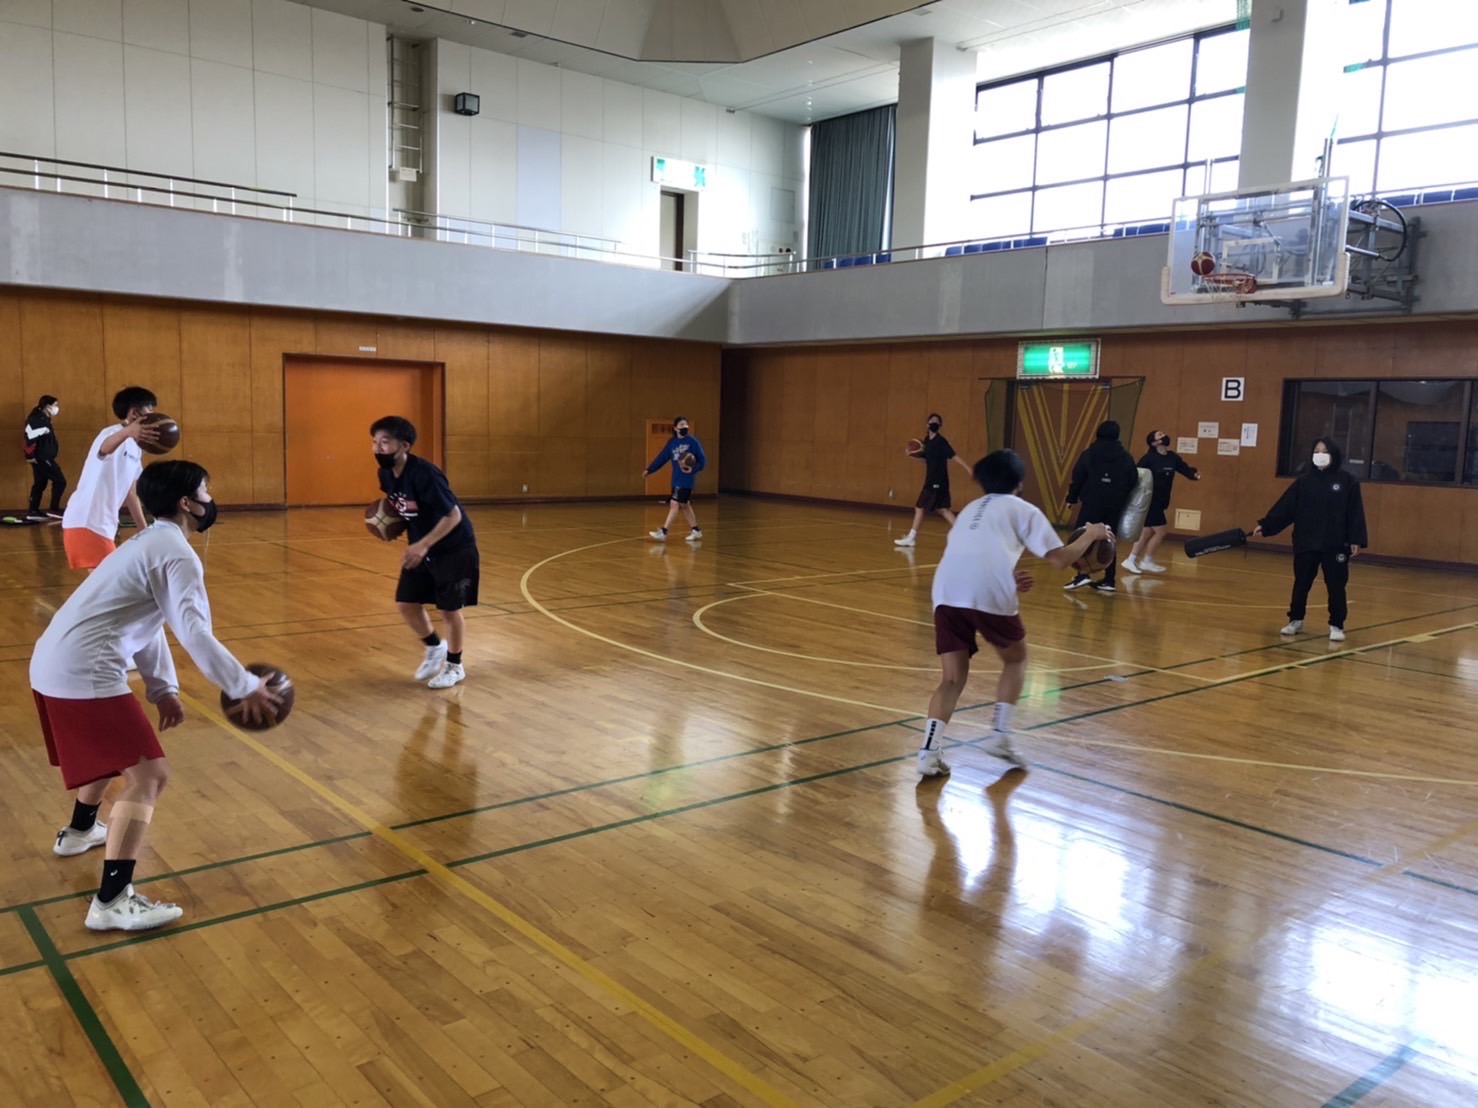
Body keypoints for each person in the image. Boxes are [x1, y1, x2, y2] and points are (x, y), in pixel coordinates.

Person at [31, 460, 279, 932]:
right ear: (187, 502)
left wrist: (163, 687)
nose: (210, 498)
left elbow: (148, 623)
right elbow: (194, 632)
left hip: (55, 664)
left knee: (115, 753)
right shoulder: (176, 553)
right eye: (206, 490)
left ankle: (80, 831)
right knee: (149, 775)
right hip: (84, 672)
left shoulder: (147, 542)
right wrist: (244, 685)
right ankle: (112, 901)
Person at [918, 449, 1110, 775]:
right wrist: (1092, 534)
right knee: (1016, 659)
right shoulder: (1024, 509)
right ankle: (1000, 736)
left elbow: (971, 553)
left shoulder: (970, 510)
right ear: (1019, 482)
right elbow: (1060, 559)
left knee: (951, 679)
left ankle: (927, 754)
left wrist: (1006, 576)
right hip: (986, 590)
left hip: (946, 591)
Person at [372, 416, 480, 688]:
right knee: (406, 603)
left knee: (449, 610)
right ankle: (434, 647)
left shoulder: (425, 474)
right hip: (421, 546)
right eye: (375, 442)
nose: (378, 448)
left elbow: (453, 515)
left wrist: (423, 544)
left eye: (385, 442)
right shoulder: (385, 474)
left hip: (453, 547)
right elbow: (404, 506)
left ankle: (454, 666)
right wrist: (387, 522)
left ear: (404, 445)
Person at [1253, 438, 1368, 642]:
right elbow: (1286, 508)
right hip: (1306, 541)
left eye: (1324, 451)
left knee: (1336, 585)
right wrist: (1267, 525)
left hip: (1336, 544)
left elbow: (1355, 513)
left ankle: (1336, 625)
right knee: (1302, 583)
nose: (1320, 454)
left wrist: (1355, 539)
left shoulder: (1347, 481)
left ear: (1333, 455)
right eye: (1316, 451)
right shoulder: (1304, 482)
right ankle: (1295, 620)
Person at [60, 386, 161, 570]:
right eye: (149, 409)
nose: (153, 414)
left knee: (104, 583)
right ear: (134, 413)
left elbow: (131, 492)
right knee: (112, 581)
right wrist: (127, 432)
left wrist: (143, 529)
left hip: (104, 524)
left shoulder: (136, 447)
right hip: (87, 521)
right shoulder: (110, 434)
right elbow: (105, 448)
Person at [1063, 420, 1138, 593]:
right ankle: (1109, 580)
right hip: (1114, 505)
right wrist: (1120, 496)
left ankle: (1082, 575)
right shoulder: (1125, 457)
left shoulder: (1090, 454)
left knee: (1082, 537)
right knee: (1109, 539)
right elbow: (1132, 480)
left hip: (1092, 502)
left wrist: (1071, 498)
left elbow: (1078, 476)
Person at [1125, 430, 1200, 574]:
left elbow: (1184, 468)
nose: (1164, 436)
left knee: (1147, 532)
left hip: (1162, 500)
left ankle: (1130, 560)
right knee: (1161, 532)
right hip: (1150, 500)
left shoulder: (1172, 457)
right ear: (1154, 442)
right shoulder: (1148, 459)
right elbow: (1137, 475)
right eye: (1160, 435)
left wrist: (1194, 475)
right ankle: (1147, 561)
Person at [894, 413, 972, 547]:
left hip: (937, 481)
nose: (934, 423)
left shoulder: (941, 441)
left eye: (937, 421)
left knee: (919, 507)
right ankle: (964, 534)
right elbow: (927, 460)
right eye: (932, 421)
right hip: (933, 480)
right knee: (943, 510)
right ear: (927, 424)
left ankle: (911, 537)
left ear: (940, 425)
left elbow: (954, 456)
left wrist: (968, 468)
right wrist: (912, 456)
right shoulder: (927, 441)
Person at [642, 416, 706, 542]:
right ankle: (696, 530)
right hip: (676, 479)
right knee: (684, 504)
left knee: (674, 503)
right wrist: (650, 470)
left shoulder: (693, 442)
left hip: (686, 480)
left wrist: (693, 469)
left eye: (686, 425)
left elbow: (703, 461)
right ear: (675, 428)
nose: (684, 427)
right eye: (681, 425)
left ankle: (664, 532)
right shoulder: (672, 442)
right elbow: (662, 458)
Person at [23, 394, 67, 520]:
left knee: (40, 483)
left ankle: (33, 511)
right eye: (55, 405)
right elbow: (29, 438)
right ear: (48, 407)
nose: (56, 408)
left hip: (43, 456)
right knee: (60, 481)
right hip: (42, 457)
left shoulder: (44, 419)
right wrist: (30, 455)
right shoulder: (37, 419)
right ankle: (54, 509)